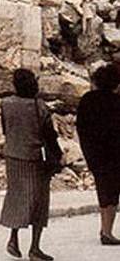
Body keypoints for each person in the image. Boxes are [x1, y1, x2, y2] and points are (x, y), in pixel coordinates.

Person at [0, 68, 56, 261]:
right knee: (39, 202)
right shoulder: (39, 106)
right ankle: (34, 248)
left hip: (12, 157)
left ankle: (13, 239)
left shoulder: (5, 104)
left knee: (17, 198)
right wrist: (57, 157)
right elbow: (50, 135)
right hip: (34, 159)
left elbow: (5, 130)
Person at [76, 62, 120, 246]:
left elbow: (81, 127)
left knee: (104, 191)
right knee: (112, 194)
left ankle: (105, 230)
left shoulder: (87, 99)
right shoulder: (117, 102)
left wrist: (88, 150)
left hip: (95, 154)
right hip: (115, 154)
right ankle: (107, 232)